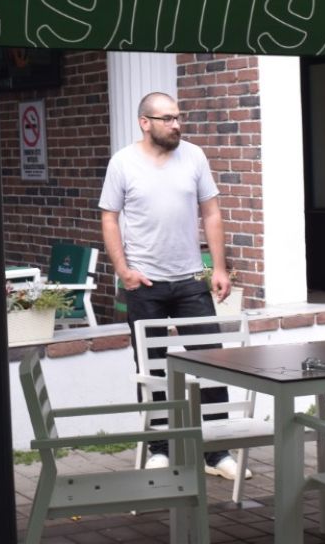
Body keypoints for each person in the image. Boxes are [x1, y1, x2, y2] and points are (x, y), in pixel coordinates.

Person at [98, 91, 244, 481]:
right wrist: (123, 270)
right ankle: (159, 448)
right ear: (145, 122)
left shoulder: (194, 156)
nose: (176, 125)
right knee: (152, 368)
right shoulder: (123, 162)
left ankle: (217, 452)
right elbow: (109, 218)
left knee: (211, 364)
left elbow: (211, 213)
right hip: (144, 285)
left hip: (191, 281)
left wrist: (219, 268)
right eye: (167, 119)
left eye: (178, 117)